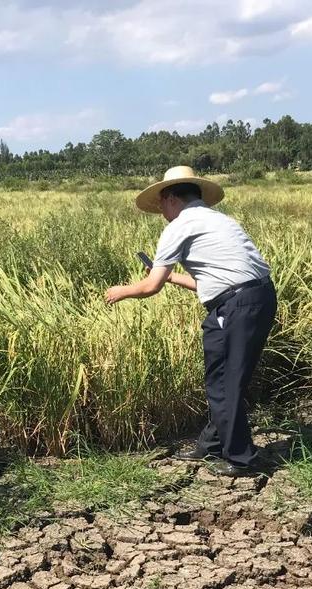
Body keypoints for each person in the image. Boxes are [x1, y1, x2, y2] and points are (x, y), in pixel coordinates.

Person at [105, 165, 276, 475]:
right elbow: (213, 283)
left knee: (226, 382)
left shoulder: (179, 226)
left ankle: (242, 459)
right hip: (250, 299)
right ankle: (212, 444)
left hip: (236, 306)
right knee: (220, 377)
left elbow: (151, 286)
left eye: (161, 204)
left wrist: (121, 291)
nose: (161, 211)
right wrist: (173, 278)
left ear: (171, 199)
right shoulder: (218, 220)